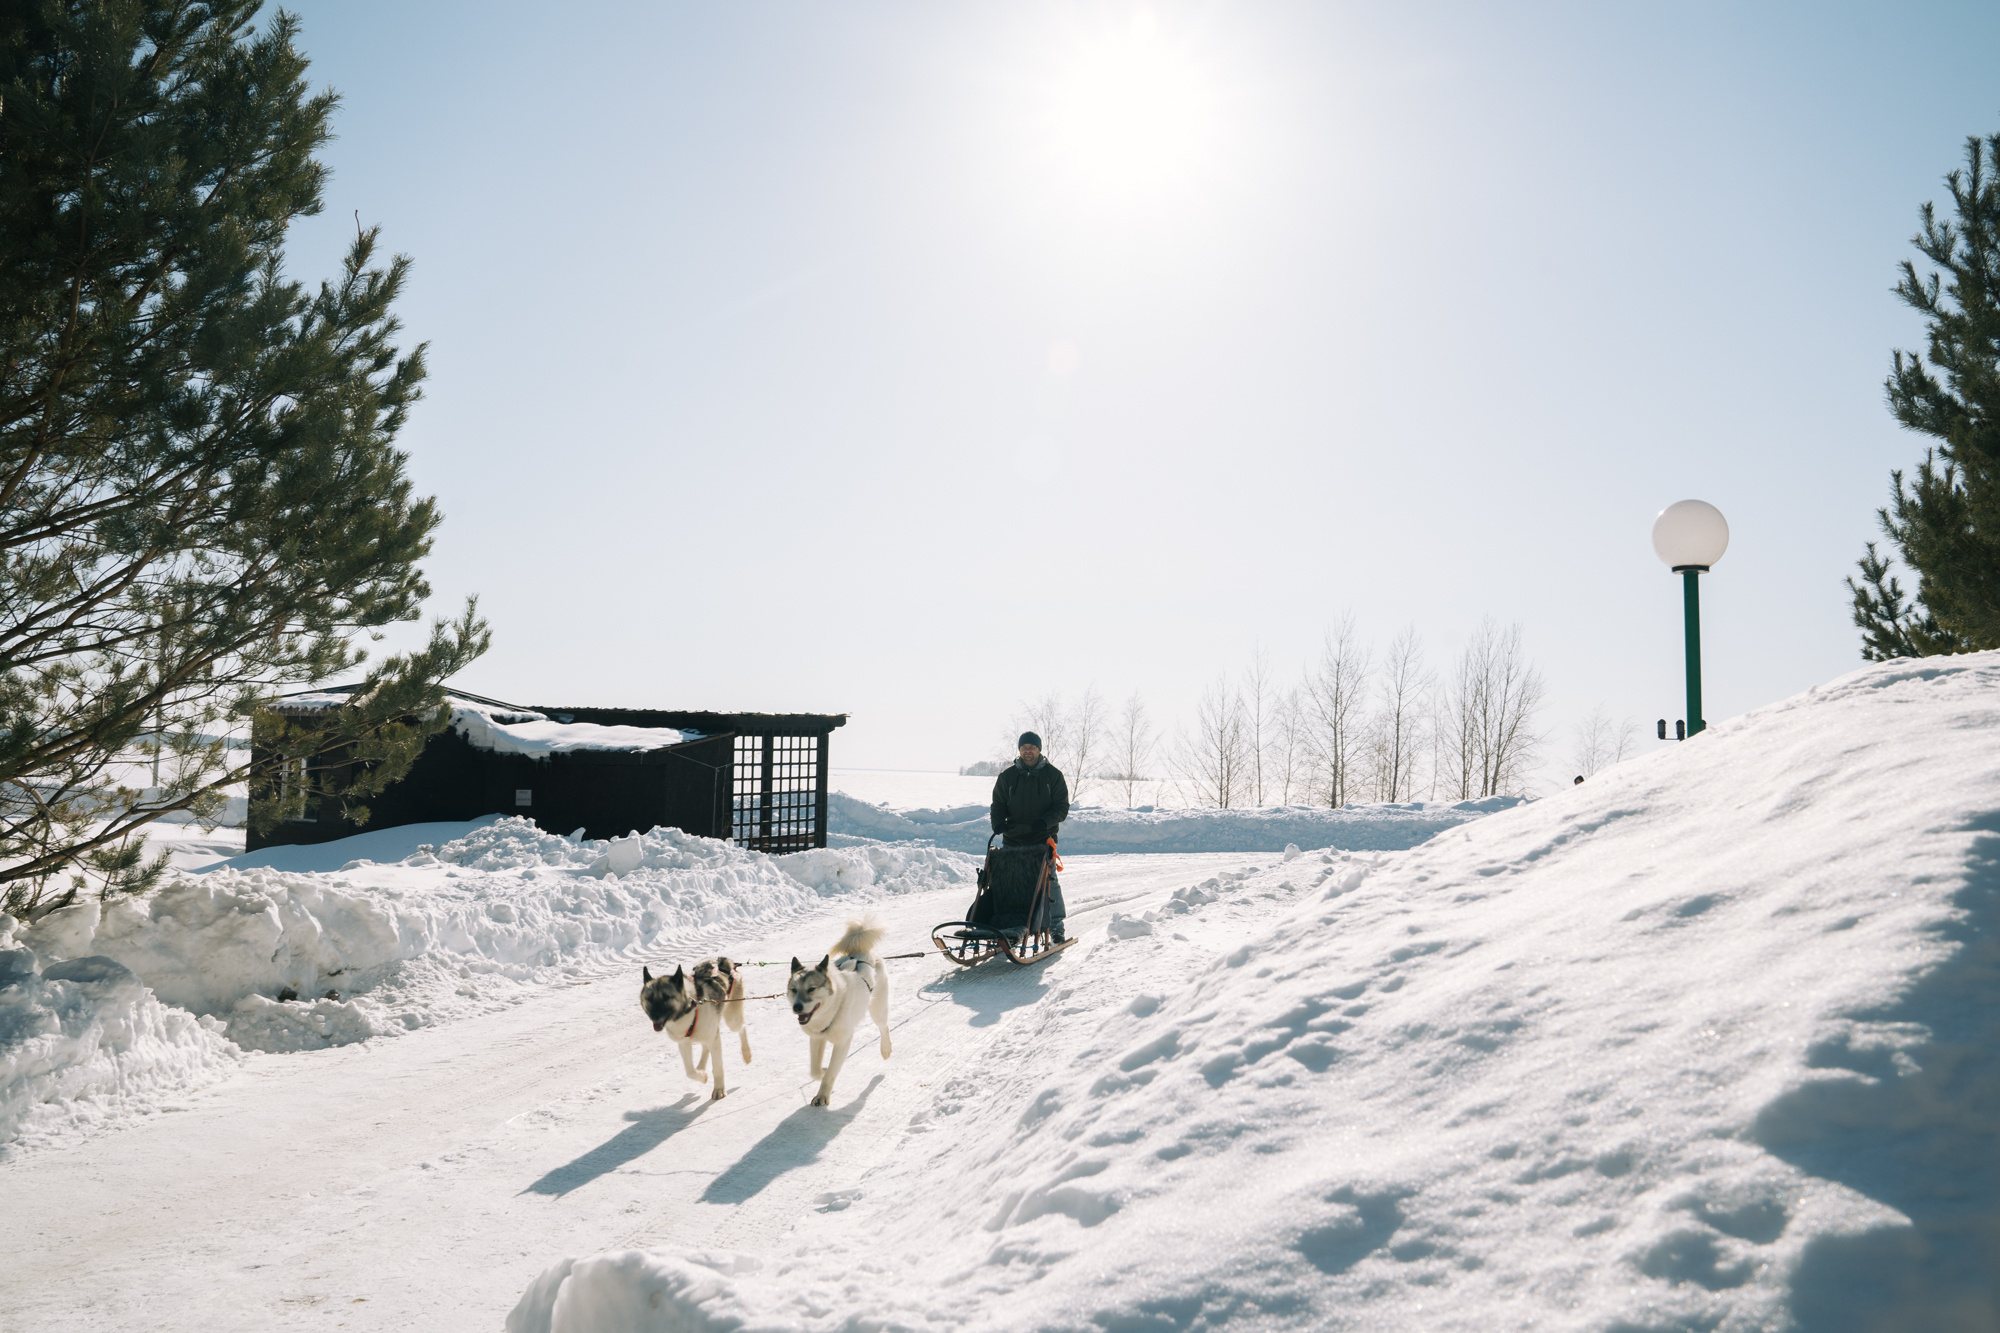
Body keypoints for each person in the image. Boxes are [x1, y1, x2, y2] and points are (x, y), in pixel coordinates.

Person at [989, 732, 1068, 942]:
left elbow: (1062, 807)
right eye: (1024, 747)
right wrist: (997, 822)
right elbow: (997, 805)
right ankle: (1012, 925)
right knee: (1011, 884)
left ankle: (1057, 927)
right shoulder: (1007, 776)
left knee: (1049, 882)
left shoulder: (1053, 776)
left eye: (1032, 747)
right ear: (1019, 750)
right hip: (1013, 839)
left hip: (1042, 840)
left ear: (1039, 749)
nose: (1028, 751)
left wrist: (1045, 821)